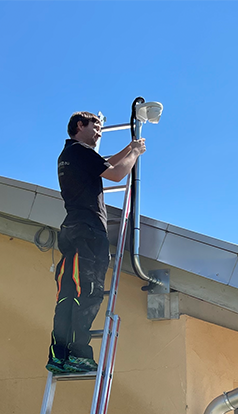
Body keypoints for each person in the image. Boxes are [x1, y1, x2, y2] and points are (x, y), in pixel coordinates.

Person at [46, 111, 146, 373]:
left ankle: (59, 355)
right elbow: (115, 175)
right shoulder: (80, 151)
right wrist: (135, 155)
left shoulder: (72, 154)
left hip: (73, 231)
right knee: (87, 293)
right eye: (96, 127)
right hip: (88, 232)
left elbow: (104, 165)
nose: (100, 132)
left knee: (67, 295)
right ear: (80, 125)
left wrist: (130, 146)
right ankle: (79, 354)